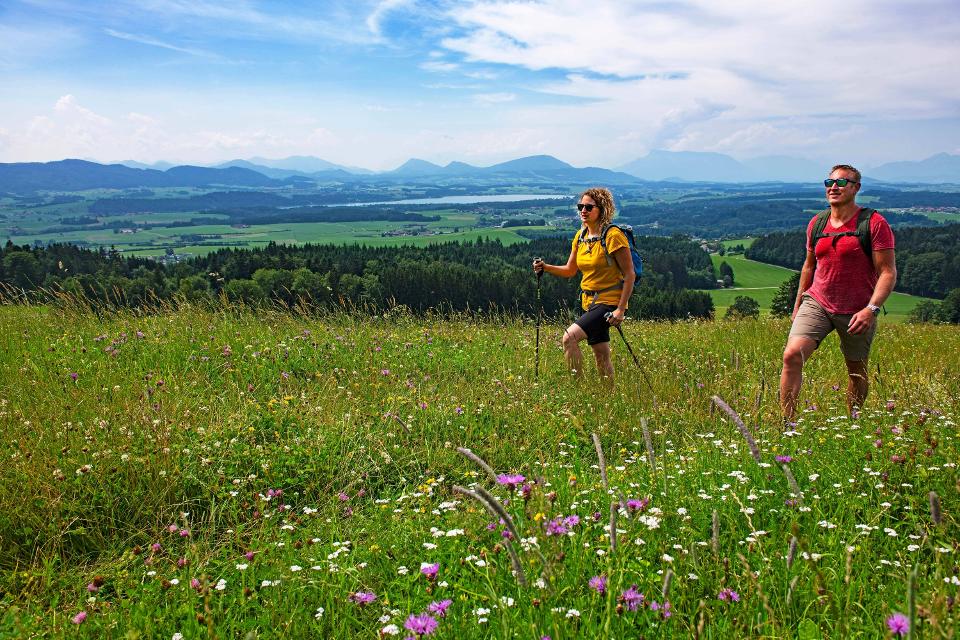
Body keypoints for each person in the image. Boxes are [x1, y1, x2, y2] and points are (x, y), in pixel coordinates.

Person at [780, 164, 897, 420]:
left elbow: (888, 272)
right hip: (818, 302)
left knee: (856, 371)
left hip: (858, 309)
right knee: (792, 356)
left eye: (842, 182)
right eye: (829, 182)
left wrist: (871, 309)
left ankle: (852, 420)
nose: (834, 187)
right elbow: (809, 266)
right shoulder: (817, 223)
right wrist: (798, 304)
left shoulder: (874, 224)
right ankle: (787, 424)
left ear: (856, 188)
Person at [533, 187, 635, 382]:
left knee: (569, 338)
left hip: (609, 301)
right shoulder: (581, 236)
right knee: (601, 354)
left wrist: (620, 310)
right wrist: (545, 267)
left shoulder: (613, 236)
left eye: (589, 207)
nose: (583, 210)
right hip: (589, 303)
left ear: (602, 209)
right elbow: (571, 270)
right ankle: (607, 398)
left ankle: (579, 390)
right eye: (581, 206)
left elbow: (629, 274)